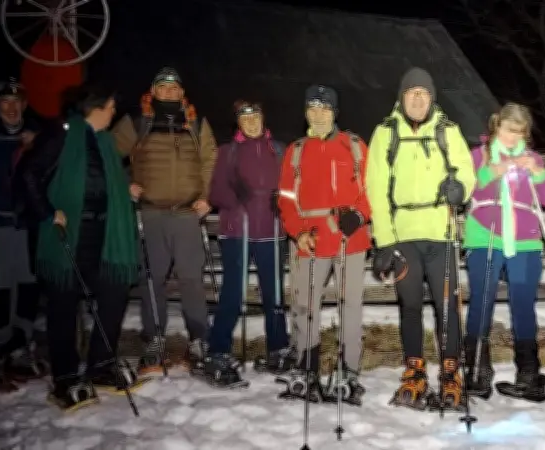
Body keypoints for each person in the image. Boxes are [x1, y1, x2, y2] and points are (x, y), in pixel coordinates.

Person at [20, 84, 143, 412]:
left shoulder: (105, 142)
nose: (114, 113)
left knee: (114, 294)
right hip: (68, 234)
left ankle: (101, 365)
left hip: (103, 238)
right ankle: (65, 376)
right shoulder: (61, 135)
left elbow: (105, 179)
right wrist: (47, 211)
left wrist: (122, 189)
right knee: (63, 305)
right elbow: (28, 173)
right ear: (96, 107)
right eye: (111, 108)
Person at [366, 67, 476, 411]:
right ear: (402, 98)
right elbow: (376, 189)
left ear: (432, 98)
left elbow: (465, 172)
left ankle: (451, 370)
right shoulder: (385, 133)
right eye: (411, 93)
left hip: (440, 233)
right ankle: (414, 369)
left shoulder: (448, 130)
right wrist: (384, 240)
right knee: (410, 305)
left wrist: (460, 189)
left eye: (424, 93)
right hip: (402, 235)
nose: (417, 99)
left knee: (447, 307)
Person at [112, 67, 218, 375]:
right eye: (163, 87)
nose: (169, 92)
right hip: (152, 212)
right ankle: (154, 338)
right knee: (151, 279)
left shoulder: (196, 123)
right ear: (153, 90)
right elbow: (105, 155)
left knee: (191, 280)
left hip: (187, 213)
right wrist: (124, 184)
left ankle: (198, 338)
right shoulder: (137, 122)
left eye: (175, 87)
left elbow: (211, 159)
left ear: (182, 93)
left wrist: (206, 196)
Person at [277, 85, 371, 404]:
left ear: (334, 112)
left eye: (324, 109)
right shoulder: (296, 150)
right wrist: (297, 231)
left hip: (349, 239)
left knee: (351, 306)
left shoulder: (354, 146)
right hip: (312, 240)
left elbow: (371, 189)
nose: (318, 115)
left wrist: (358, 214)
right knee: (306, 306)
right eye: (312, 109)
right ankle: (307, 366)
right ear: (305, 112)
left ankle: (349, 370)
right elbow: (287, 198)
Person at [463, 103, 545, 400]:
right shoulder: (478, 156)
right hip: (485, 236)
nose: (511, 137)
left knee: (523, 304)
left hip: (525, 240)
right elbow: (466, 189)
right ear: (496, 126)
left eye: (518, 131)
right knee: (482, 300)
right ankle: (478, 369)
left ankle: (528, 372)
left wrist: (538, 174)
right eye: (508, 129)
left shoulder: (531, 159)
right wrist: (493, 171)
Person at [203, 100, 291, 387]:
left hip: (271, 231)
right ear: (237, 122)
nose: (251, 121)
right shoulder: (227, 152)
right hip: (237, 231)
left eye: (256, 116)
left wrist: (284, 201)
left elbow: (292, 187)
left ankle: (278, 348)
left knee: (274, 294)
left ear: (263, 118)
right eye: (245, 117)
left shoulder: (278, 150)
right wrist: (234, 195)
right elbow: (215, 192)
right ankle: (218, 351)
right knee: (232, 293)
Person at [0, 78, 45, 396]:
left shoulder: (36, 135)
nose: (12, 108)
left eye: (17, 102)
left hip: (29, 225)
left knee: (28, 288)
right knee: (0, 291)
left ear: (25, 104)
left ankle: (19, 347)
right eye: (5, 102)